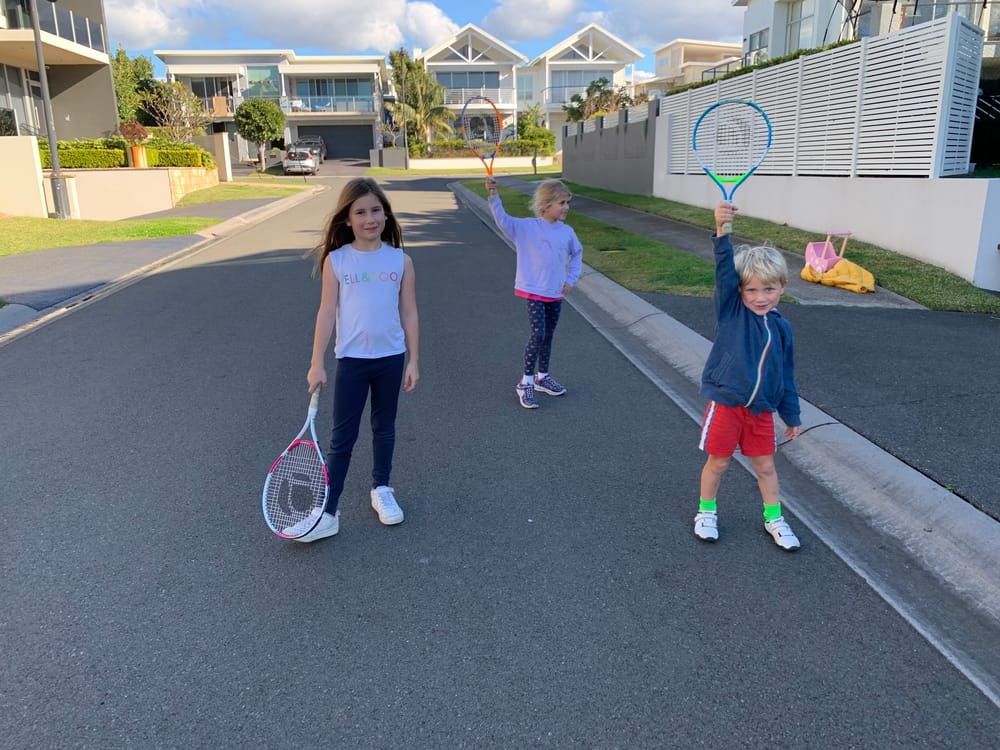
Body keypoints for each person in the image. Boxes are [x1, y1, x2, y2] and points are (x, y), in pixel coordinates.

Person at [297, 177, 420, 542]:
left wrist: (414, 360)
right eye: (361, 212)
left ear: (386, 214)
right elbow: (325, 311)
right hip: (352, 360)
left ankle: (381, 488)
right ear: (347, 219)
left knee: (385, 427)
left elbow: (409, 311)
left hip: (391, 358)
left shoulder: (401, 260)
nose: (370, 219)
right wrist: (316, 362)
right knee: (342, 439)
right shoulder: (337, 260)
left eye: (376, 210)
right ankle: (328, 512)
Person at [694, 202, 802, 551]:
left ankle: (775, 517)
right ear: (740, 292)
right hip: (727, 404)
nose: (760, 297)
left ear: (782, 287)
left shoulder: (781, 327)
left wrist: (792, 414)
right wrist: (722, 231)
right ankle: (706, 512)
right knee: (719, 462)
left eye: (768, 289)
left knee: (766, 467)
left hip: (761, 411)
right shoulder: (731, 312)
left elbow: (786, 373)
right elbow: (725, 273)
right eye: (752, 290)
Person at [486, 176, 583, 409]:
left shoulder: (567, 232)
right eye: (562, 203)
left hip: (555, 292)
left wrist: (571, 279)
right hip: (533, 290)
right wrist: (493, 195)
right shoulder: (526, 227)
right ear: (546, 205)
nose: (566, 207)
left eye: (567, 203)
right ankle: (525, 382)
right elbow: (503, 220)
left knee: (548, 335)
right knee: (538, 333)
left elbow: (577, 254)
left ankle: (542, 377)